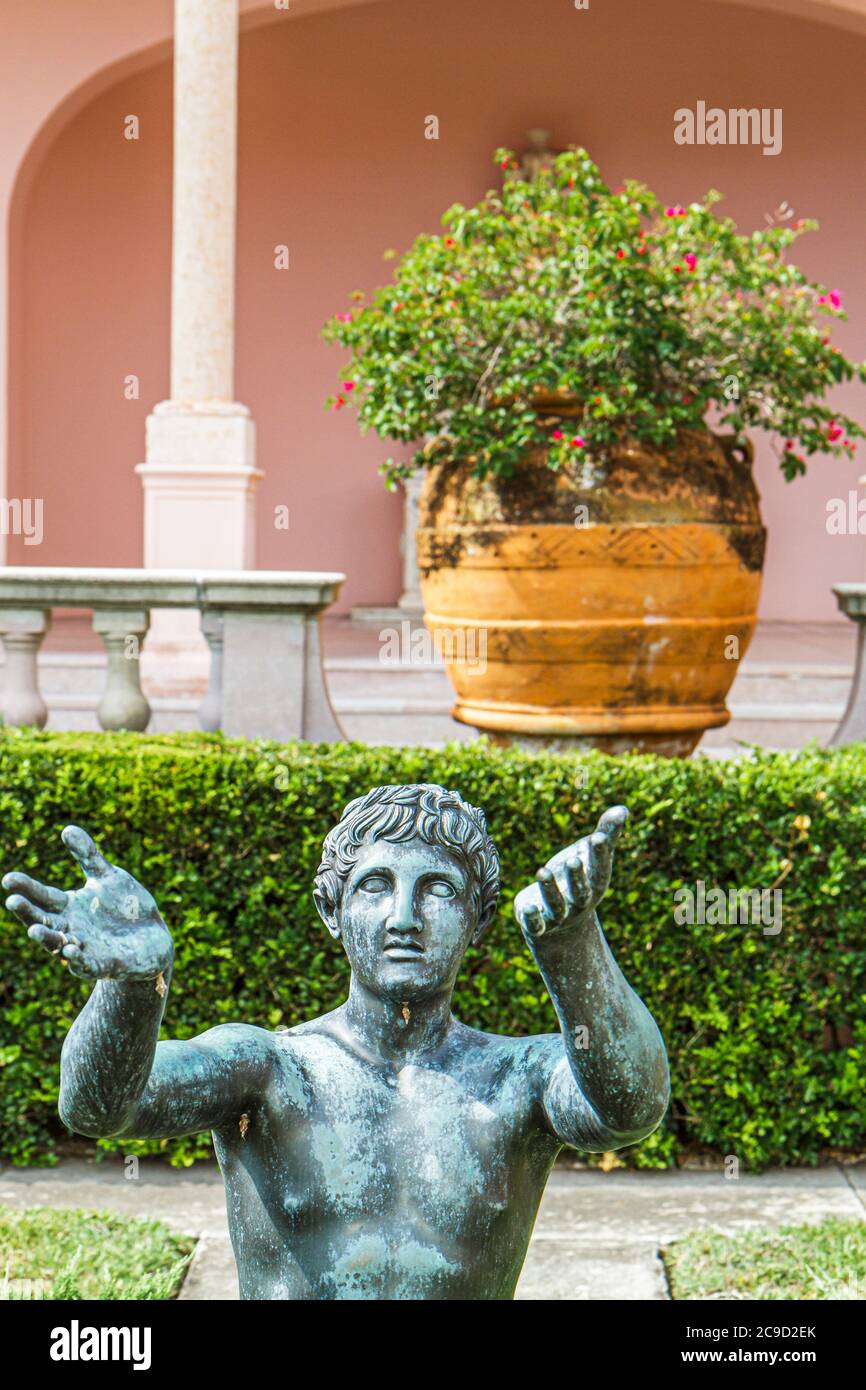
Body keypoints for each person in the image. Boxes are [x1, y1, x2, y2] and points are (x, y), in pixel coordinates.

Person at [5, 782, 669, 1300]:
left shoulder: (515, 1079)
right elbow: (98, 1108)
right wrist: (131, 991)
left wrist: (572, 946)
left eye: (438, 890)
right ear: (333, 910)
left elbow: (630, 1108)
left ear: (478, 919)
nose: (404, 918)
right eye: (375, 886)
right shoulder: (268, 1070)